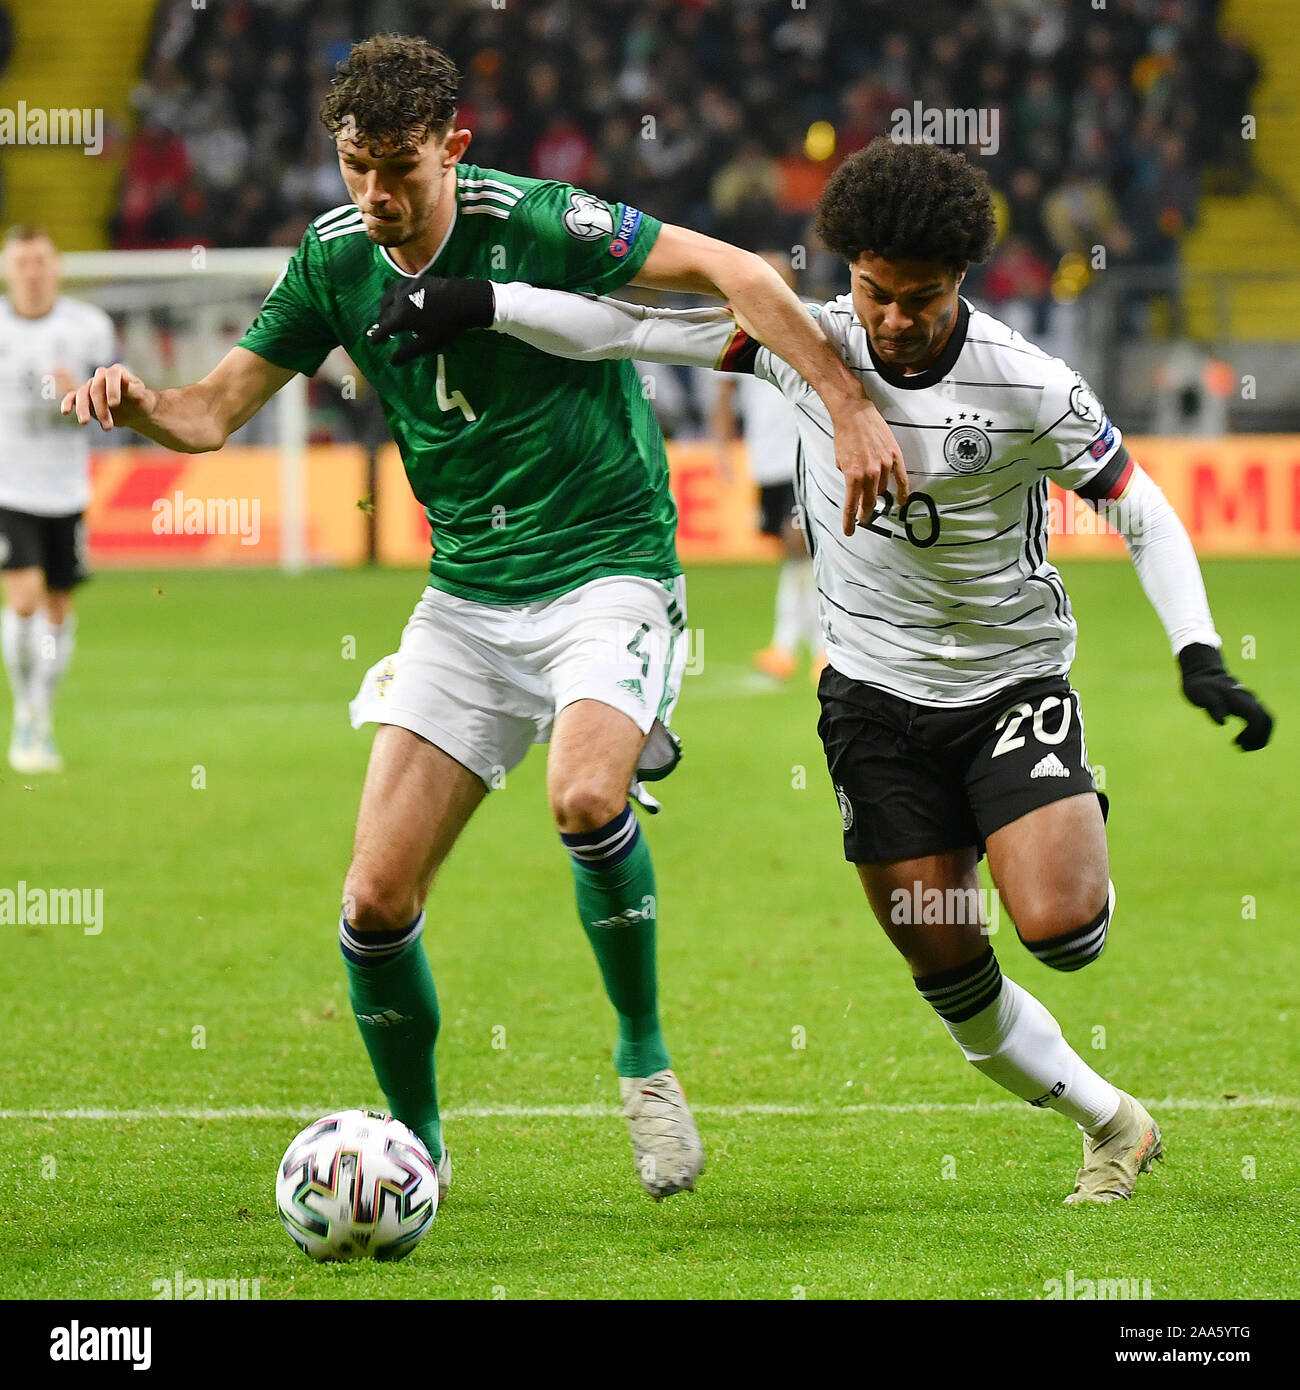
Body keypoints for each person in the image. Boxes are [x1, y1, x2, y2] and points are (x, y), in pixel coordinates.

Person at [61, 37, 905, 1203]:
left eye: (398, 167)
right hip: (466, 597)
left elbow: (739, 272)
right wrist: (140, 404)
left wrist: (848, 407)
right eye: (354, 166)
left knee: (585, 795)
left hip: (606, 563)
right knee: (371, 905)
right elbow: (208, 416)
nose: (376, 196)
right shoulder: (330, 261)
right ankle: (416, 1148)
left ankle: (645, 1065)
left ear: (453, 148)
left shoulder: (542, 219)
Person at [386, 138, 1275, 1204]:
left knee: (1061, 931)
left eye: (921, 298)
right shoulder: (803, 343)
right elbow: (626, 327)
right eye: (873, 291)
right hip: (871, 704)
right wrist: (483, 301)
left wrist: (1198, 650)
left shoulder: (1027, 383)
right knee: (946, 967)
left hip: (1009, 685)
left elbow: (1138, 505)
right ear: (845, 271)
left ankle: (1051, 810)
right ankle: (1110, 1121)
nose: (894, 319)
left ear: (963, 282)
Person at [0, 226, 115, 773]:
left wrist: (85, 392)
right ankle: (25, 713)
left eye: (41, 261)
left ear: (56, 266)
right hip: (7, 488)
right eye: (22, 262)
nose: (32, 271)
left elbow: (119, 403)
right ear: (7, 268)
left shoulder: (89, 326)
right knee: (23, 600)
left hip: (66, 490)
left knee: (57, 608)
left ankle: (40, 711)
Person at [709, 250, 823, 683]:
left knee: (803, 544)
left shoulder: (811, 321)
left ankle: (816, 648)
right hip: (767, 458)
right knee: (793, 555)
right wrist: (722, 450)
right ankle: (788, 645)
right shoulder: (738, 328)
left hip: (807, 455)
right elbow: (723, 396)